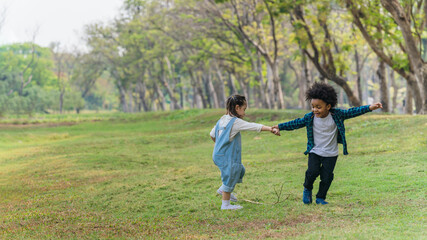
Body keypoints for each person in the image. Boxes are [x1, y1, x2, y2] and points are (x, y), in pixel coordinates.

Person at [272, 82, 382, 205]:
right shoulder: (310, 117)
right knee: (312, 172)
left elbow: (353, 111)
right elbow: (296, 123)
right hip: (315, 151)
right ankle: (307, 188)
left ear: (328, 106)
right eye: (313, 106)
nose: (315, 110)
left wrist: (369, 108)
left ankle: (320, 198)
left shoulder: (337, 115)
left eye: (318, 107)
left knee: (327, 177)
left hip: (331, 153)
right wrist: (280, 126)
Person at [210, 94, 279, 210]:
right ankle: (225, 204)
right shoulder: (235, 122)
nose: (245, 113)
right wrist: (270, 129)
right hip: (225, 156)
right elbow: (252, 126)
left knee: (240, 170)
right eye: (244, 109)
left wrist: (220, 145)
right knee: (230, 175)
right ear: (237, 108)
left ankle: (223, 189)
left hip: (218, 155)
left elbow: (212, 135)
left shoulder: (222, 119)